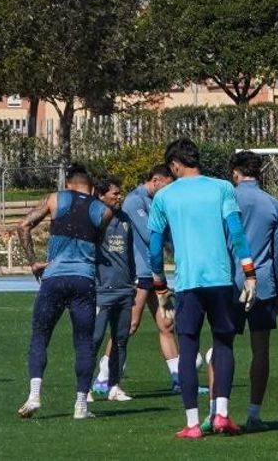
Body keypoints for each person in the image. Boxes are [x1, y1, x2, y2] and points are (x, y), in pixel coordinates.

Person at [149, 138, 259, 439]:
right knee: (223, 344)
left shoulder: (164, 196)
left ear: (174, 165)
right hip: (221, 279)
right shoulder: (222, 188)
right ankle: (221, 414)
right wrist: (250, 275)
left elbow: (155, 249)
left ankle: (193, 423)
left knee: (188, 348)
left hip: (188, 283)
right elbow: (237, 233)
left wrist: (160, 287)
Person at [15, 164, 122, 421]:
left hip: (54, 277)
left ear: (68, 184)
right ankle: (80, 405)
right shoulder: (104, 211)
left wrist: (33, 262)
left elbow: (23, 225)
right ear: (92, 188)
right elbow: (97, 243)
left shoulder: (55, 198)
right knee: (84, 343)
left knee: (40, 336)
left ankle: (34, 395)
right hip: (83, 280)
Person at [230, 151, 278, 430]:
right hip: (263, 284)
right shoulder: (273, 204)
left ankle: (218, 412)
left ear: (235, 172)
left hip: (231, 282)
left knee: (222, 346)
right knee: (261, 350)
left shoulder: (228, 200)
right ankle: (254, 413)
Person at [123, 164, 183, 392]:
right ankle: (104, 376)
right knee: (130, 325)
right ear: (156, 180)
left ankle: (179, 380)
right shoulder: (134, 201)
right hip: (140, 273)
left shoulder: (156, 201)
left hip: (155, 273)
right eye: (167, 185)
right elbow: (150, 235)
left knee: (167, 324)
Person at [91, 176, 135, 402]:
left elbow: (129, 253)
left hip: (124, 289)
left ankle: (114, 386)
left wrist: (132, 280)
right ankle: (84, 389)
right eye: (115, 193)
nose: (119, 197)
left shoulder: (125, 219)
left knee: (121, 339)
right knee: (94, 339)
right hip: (101, 290)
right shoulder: (94, 218)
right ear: (101, 195)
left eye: (120, 193)